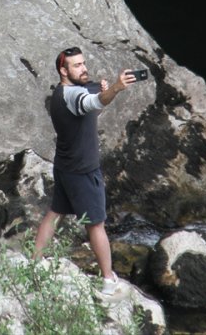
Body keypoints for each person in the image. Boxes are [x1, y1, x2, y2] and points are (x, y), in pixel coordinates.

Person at [33, 47, 138, 296]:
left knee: (55, 212)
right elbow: (91, 102)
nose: (84, 68)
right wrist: (115, 88)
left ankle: (34, 263)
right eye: (76, 65)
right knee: (96, 225)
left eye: (83, 63)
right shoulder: (71, 95)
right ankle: (108, 281)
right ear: (63, 70)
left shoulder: (62, 93)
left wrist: (103, 92)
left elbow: (93, 106)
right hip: (82, 171)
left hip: (65, 166)